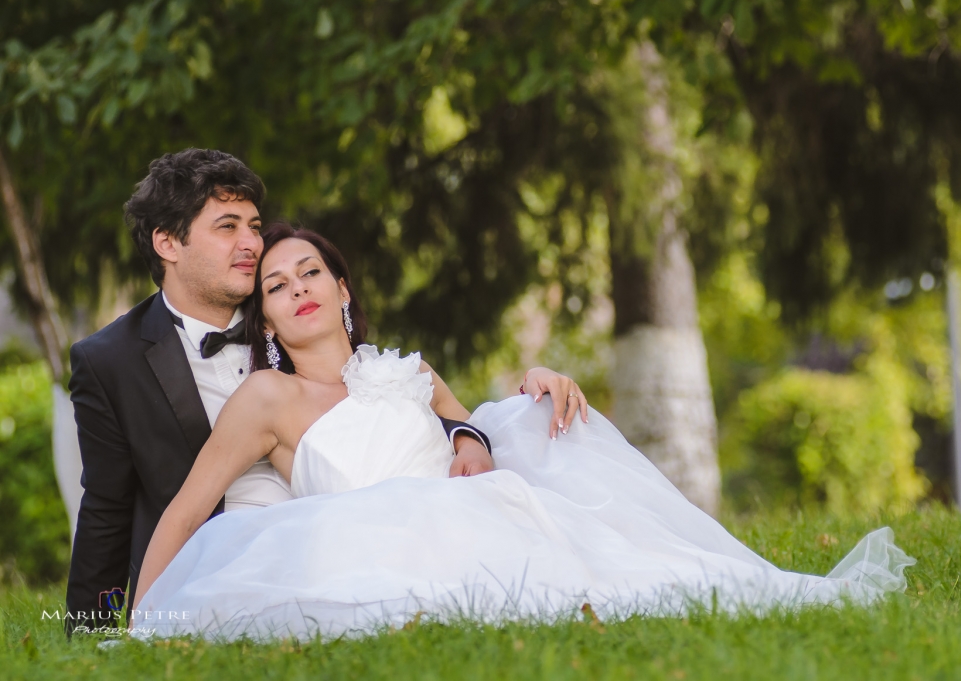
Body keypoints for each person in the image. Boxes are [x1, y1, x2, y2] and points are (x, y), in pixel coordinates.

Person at [129, 222, 915, 640]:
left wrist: (514, 401)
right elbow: (188, 506)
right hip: (371, 544)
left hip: (476, 514)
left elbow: (473, 428)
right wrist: (138, 615)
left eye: (310, 274)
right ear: (263, 313)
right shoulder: (267, 395)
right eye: (276, 283)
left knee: (626, 572)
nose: (295, 289)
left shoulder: (408, 368)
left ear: (342, 290)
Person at [65, 149, 585, 635]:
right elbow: (108, 510)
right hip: (230, 568)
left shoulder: (296, 309)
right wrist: (99, 630)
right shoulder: (110, 360)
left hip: (373, 537)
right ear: (168, 243)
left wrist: (475, 433)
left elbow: (396, 407)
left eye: (252, 225)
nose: (251, 243)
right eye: (228, 228)